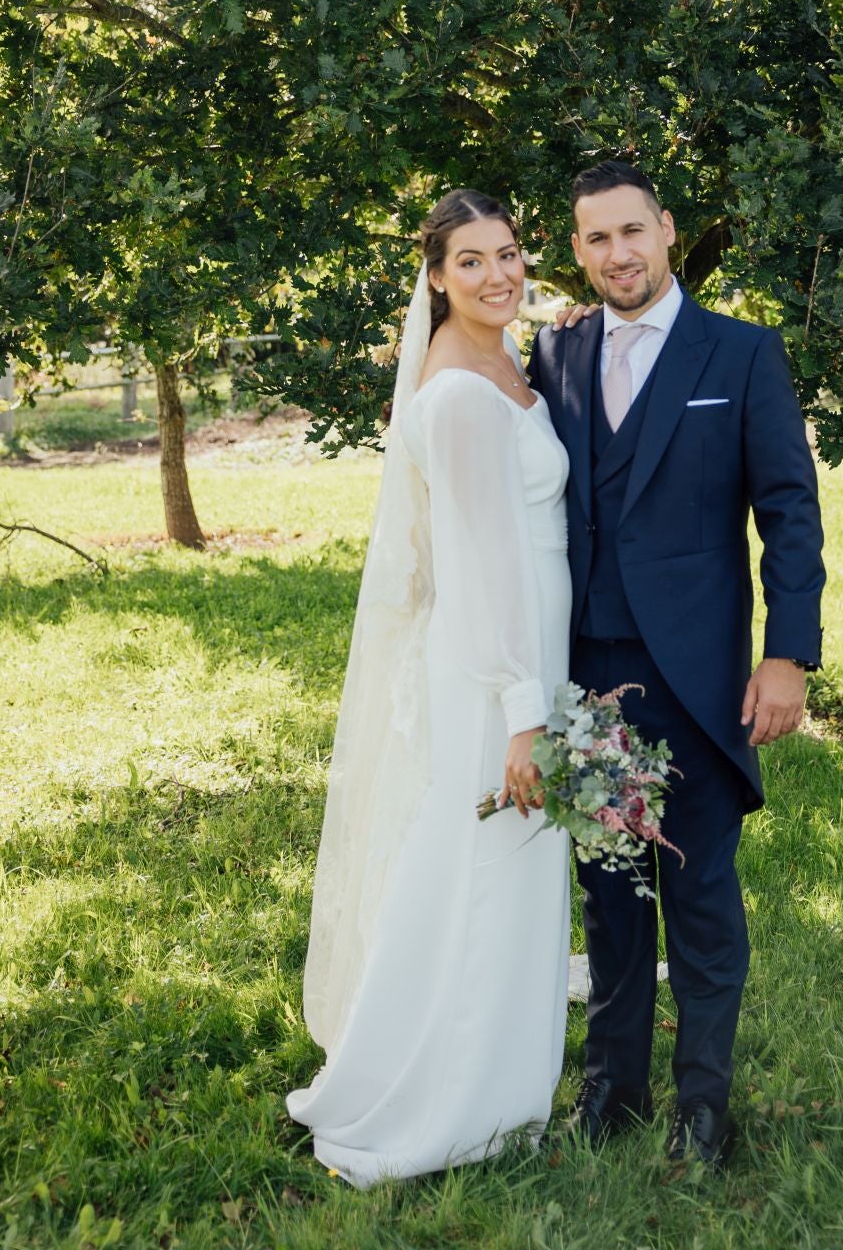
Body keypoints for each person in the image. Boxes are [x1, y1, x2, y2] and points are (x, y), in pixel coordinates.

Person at [528, 159, 825, 1169]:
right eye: (595, 238)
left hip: (697, 682)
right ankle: (609, 1090)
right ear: (576, 252)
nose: (617, 253)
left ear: (665, 230)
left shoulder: (739, 355)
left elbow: (787, 513)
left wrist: (787, 656)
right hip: (580, 679)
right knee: (608, 898)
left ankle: (703, 1107)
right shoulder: (552, 354)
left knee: (698, 895)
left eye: (632, 232)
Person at [286, 189, 572, 1186]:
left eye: (508, 254)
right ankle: (448, 1094)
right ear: (435, 279)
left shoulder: (504, 358)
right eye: (470, 262)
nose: (497, 275)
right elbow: (483, 562)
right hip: (496, 669)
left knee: (503, 859)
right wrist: (522, 713)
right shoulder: (454, 394)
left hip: (524, 654)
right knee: (483, 862)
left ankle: (489, 1072)